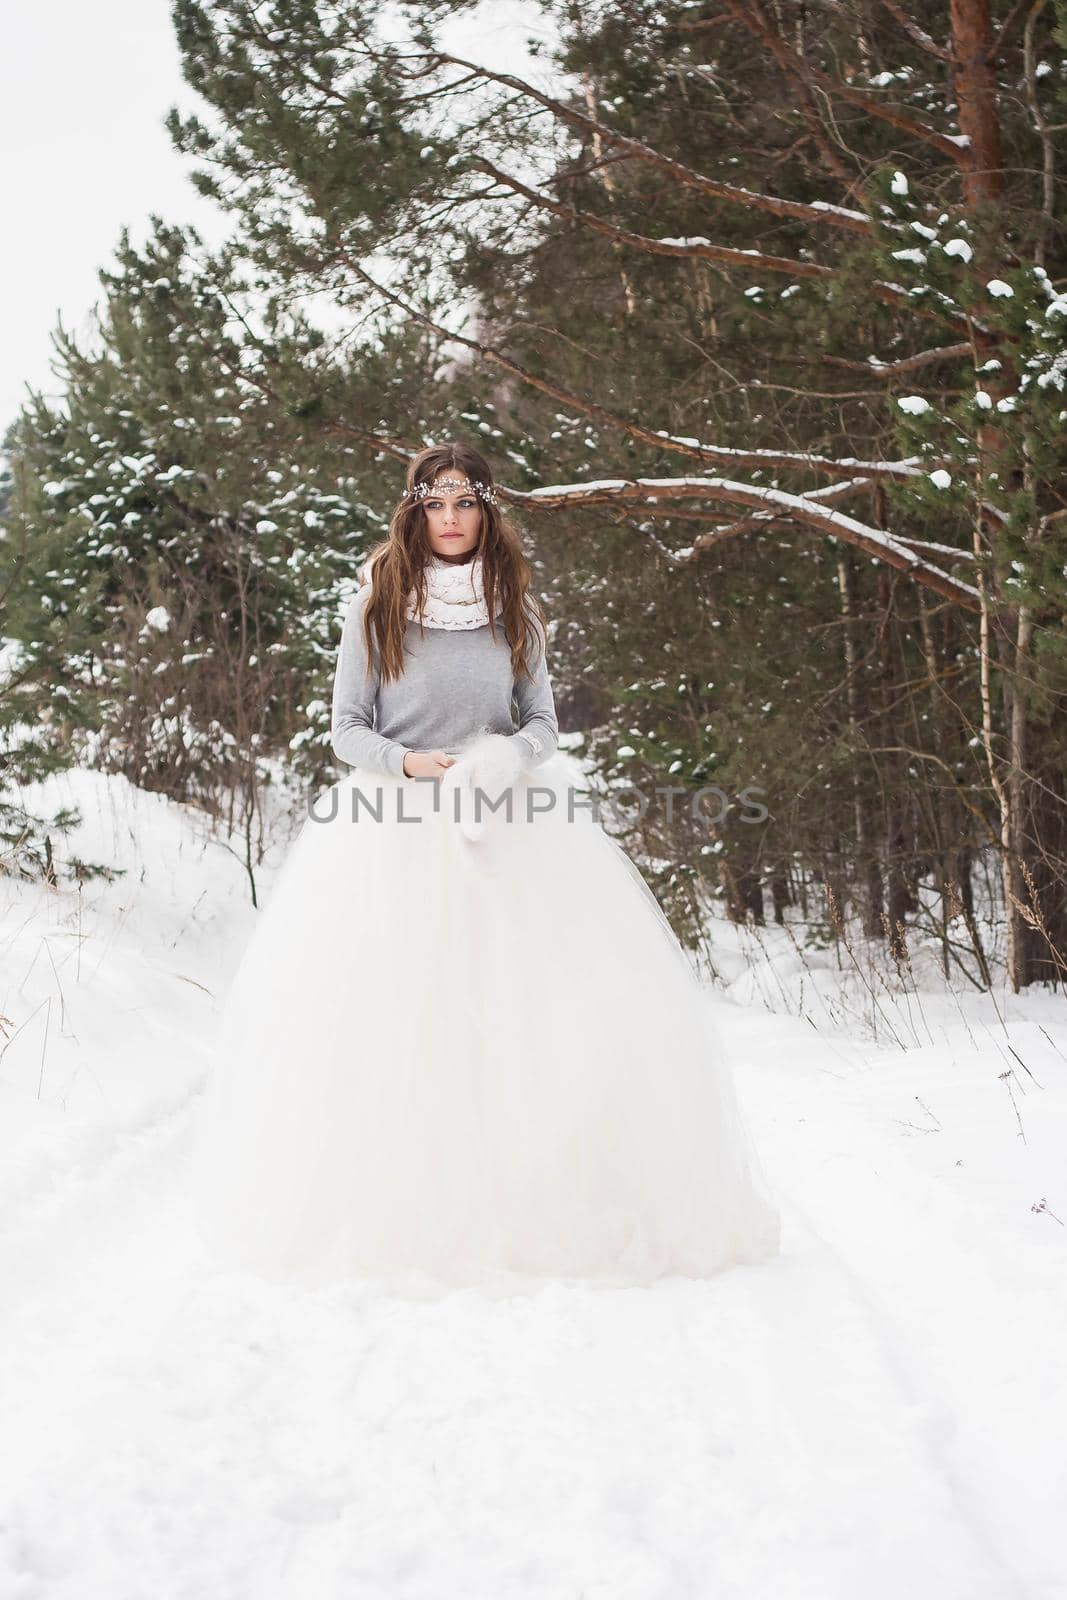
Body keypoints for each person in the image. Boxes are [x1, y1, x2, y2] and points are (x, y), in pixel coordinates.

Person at [190, 441, 780, 1290]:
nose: (452, 519)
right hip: (391, 830)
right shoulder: (373, 612)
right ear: (415, 512)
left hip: (510, 823)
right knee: (400, 1015)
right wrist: (414, 766)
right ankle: (402, 1212)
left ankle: (541, 1207)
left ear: (488, 510)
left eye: (466, 502)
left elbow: (542, 722)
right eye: (437, 503)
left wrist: (503, 758)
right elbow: (346, 729)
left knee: (533, 1012)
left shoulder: (519, 613)